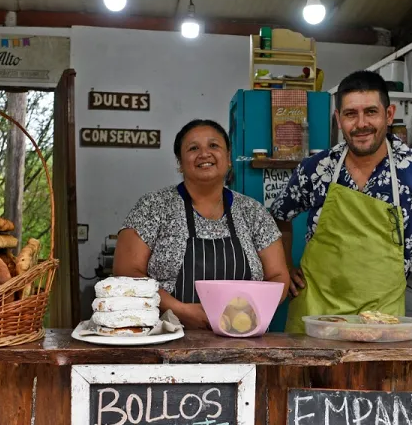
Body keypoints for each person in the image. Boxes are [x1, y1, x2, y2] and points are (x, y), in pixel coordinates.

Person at [272, 70, 412, 333]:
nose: (361, 123)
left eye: (371, 112)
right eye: (350, 114)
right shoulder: (316, 167)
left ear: (389, 114)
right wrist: (285, 266)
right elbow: (278, 216)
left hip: (382, 321)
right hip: (316, 315)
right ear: (338, 119)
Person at [114, 119, 291, 329]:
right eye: (193, 148)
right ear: (180, 163)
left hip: (242, 339)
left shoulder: (253, 212)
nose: (204, 154)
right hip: (167, 338)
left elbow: (278, 276)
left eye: (214, 146)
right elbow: (126, 272)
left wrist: (247, 315)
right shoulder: (153, 206)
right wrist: (181, 310)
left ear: (228, 159)